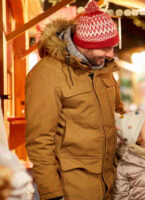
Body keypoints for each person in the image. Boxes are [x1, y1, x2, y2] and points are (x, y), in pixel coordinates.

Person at [25, 1, 124, 199]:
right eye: (105, 48)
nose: (110, 54)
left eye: (112, 47)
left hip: (112, 186)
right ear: (85, 45)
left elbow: (119, 116)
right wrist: (52, 193)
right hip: (73, 188)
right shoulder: (47, 73)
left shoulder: (105, 70)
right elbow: (40, 141)